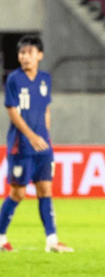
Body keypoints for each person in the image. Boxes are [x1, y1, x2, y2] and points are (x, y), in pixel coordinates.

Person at [0, 35, 71, 253]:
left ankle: (52, 240)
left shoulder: (45, 79)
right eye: (21, 53)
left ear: (39, 55)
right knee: (17, 193)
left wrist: (46, 138)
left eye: (29, 53)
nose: (24, 57)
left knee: (45, 190)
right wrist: (31, 136)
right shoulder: (14, 79)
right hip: (21, 146)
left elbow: (46, 109)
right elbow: (12, 111)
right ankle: (1, 236)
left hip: (43, 146)